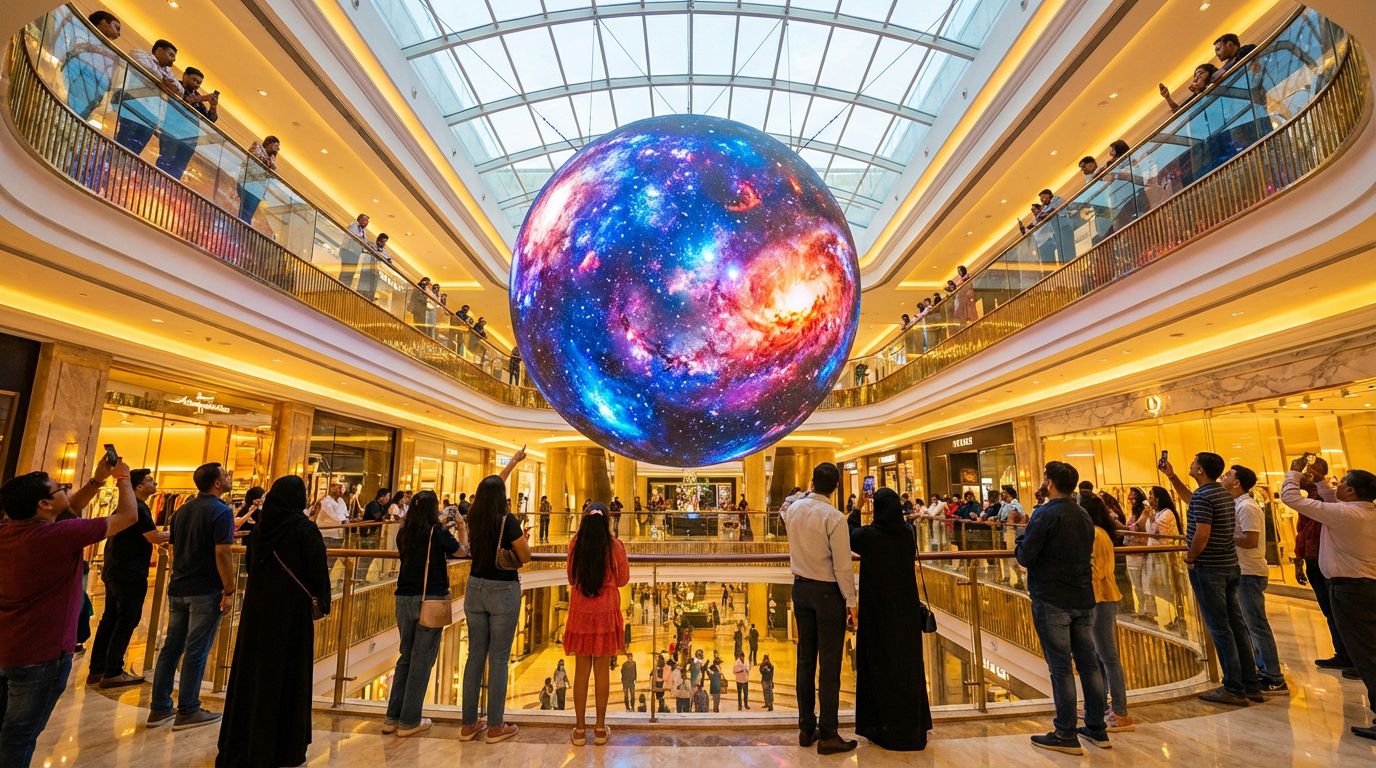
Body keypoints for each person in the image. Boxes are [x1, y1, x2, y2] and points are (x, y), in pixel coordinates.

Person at [0, 456, 137, 768]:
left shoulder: (9, 531)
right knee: (19, 737)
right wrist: (123, 479)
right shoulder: (58, 537)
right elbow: (127, 516)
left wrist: (96, 481)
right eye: (59, 488)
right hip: (42, 654)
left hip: (8, 647)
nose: (65, 490)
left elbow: (67, 512)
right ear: (44, 505)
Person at [216, 476, 330, 767]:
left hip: (257, 614)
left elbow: (252, 569)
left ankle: (245, 741)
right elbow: (318, 575)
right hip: (290, 616)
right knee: (288, 676)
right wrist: (322, 602)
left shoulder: (261, 530)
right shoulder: (304, 530)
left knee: (253, 676)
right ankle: (284, 746)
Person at [1279, 458, 1376, 740]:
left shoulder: (1344, 515)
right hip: (1365, 586)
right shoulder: (1362, 512)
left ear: (1352, 492)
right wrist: (1321, 480)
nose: (1337, 486)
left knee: (1366, 655)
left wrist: (1295, 471)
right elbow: (1332, 500)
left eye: (1342, 484)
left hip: (1350, 590)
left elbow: (1290, 497)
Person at [1016, 461, 1107, 755]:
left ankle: (1065, 732)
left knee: (1061, 668)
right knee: (1089, 664)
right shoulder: (1082, 513)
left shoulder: (1046, 513)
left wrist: (1020, 540)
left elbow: (1027, 556)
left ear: (1050, 483)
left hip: (1052, 598)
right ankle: (1096, 727)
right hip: (1083, 597)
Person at [1162, 452, 1259, 705]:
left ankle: (1233, 687)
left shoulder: (1207, 496)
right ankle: (1250, 683)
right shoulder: (1220, 494)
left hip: (1210, 568)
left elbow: (1202, 533)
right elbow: (1192, 500)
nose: (1190, 465)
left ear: (1201, 469)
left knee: (1220, 627)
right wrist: (1171, 477)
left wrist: (1191, 556)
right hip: (1229, 566)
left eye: (1193, 463)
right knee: (1236, 625)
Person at [148, 462, 236, 730]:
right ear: (217, 484)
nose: (229, 476)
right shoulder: (221, 511)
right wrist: (230, 589)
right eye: (225, 474)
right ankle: (188, 710)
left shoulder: (182, 510)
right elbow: (222, 553)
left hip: (179, 587)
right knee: (197, 650)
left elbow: (173, 548)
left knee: (171, 648)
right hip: (205, 590)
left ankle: (160, 707)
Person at [780, 462, 858, 754]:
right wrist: (851, 602)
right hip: (827, 594)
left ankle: (805, 728)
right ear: (836, 487)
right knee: (829, 665)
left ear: (812, 482)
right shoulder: (835, 517)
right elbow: (842, 566)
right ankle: (828, 734)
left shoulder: (795, 510)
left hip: (800, 589)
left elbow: (784, 511)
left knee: (805, 660)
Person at [848, 488, 931, 750]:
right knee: (907, 666)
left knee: (879, 665)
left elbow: (849, 534)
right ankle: (912, 726)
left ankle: (881, 726)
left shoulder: (870, 536)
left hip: (878, 612)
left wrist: (858, 507)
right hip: (905, 612)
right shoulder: (908, 533)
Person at [459, 448, 531, 743]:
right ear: (502, 498)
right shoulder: (507, 521)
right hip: (502, 589)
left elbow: (493, 486)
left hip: (475, 587)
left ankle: (468, 724)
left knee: (474, 656)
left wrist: (512, 464)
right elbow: (525, 556)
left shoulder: (474, 515)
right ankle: (496, 725)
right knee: (499, 658)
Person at [384, 490, 459, 738]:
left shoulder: (404, 533)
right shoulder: (436, 533)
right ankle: (409, 720)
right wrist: (459, 524)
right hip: (430, 598)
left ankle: (391, 717)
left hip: (403, 598)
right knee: (421, 660)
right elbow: (461, 550)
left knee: (405, 656)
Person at [88, 467, 167, 688]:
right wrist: (181, 533)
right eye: (151, 480)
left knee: (110, 618)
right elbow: (154, 536)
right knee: (127, 619)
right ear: (139, 486)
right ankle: (112, 670)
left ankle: (98, 668)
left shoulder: (126, 507)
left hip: (115, 569)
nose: (155, 484)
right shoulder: (139, 509)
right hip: (129, 572)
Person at [564, 503, 629, 745]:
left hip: (581, 612)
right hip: (605, 613)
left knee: (581, 672)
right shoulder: (614, 546)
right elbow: (623, 579)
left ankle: (580, 730)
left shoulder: (575, 544)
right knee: (602, 671)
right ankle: (600, 729)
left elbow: (571, 578)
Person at [1225, 464, 1288, 695]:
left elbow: (1251, 540)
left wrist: (1225, 535)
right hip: (1243, 571)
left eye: (1229, 474)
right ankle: (1263, 669)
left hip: (1250, 572)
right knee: (1251, 626)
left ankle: (1274, 676)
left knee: (1257, 625)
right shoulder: (1237, 504)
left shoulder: (1248, 507)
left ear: (1237, 482)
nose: (1225, 476)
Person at [1080, 491, 1133, 733]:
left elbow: (1096, 571)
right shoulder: (1094, 533)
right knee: (1098, 656)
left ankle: (1120, 711)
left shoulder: (1096, 535)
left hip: (1100, 598)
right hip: (1096, 598)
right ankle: (1100, 705)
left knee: (1108, 655)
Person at [1293, 459, 1350, 670]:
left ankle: (1348, 655)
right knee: (1329, 609)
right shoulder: (1314, 499)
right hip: (1313, 558)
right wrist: (1299, 561)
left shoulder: (1325, 502)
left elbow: (1310, 533)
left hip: (1323, 559)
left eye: (1309, 473)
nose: (1304, 477)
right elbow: (1302, 535)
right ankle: (1343, 652)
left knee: (1335, 609)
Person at [116, 39, 182, 155]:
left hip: (153, 116)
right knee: (122, 143)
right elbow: (143, 67)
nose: (174, 59)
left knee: (135, 151)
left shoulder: (168, 72)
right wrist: (164, 82)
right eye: (171, 55)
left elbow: (180, 91)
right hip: (135, 105)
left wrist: (161, 82)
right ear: (159, 50)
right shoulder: (141, 54)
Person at [155, 67, 219, 180]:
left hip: (190, 138)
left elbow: (211, 119)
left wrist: (213, 106)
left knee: (179, 168)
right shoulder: (177, 86)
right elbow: (185, 99)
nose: (196, 84)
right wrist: (203, 98)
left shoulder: (198, 98)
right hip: (171, 132)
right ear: (185, 76)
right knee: (165, 160)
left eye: (199, 83)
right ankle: (155, 181)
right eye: (194, 80)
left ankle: (168, 188)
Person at [60, 10, 123, 120]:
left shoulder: (110, 50)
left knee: (80, 117)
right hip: (81, 77)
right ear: (103, 23)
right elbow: (76, 47)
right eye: (116, 27)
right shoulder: (82, 31)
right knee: (69, 113)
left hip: (97, 90)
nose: (118, 34)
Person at [311, 482, 348, 581]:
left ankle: (326, 580)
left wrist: (345, 519)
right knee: (324, 560)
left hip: (338, 535)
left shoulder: (341, 501)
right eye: (338, 487)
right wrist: (344, 520)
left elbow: (345, 514)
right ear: (332, 488)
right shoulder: (325, 502)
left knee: (332, 560)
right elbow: (335, 516)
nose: (341, 490)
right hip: (326, 534)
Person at [238, 136, 280, 224]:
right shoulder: (257, 147)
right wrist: (268, 166)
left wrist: (269, 166)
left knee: (247, 214)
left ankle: (242, 228)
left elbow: (272, 172)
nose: (276, 149)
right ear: (269, 143)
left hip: (257, 190)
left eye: (278, 147)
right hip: (248, 184)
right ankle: (242, 228)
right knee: (246, 213)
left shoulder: (271, 159)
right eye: (275, 145)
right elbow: (256, 158)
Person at [340, 213, 370, 290]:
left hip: (355, 253)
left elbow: (365, 241)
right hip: (348, 251)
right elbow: (355, 236)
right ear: (359, 219)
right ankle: (340, 288)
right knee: (346, 271)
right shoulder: (354, 225)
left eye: (366, 221)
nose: (364, 222)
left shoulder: (363, 231)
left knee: (351, 272)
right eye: (363, 219)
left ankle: (345, 288)